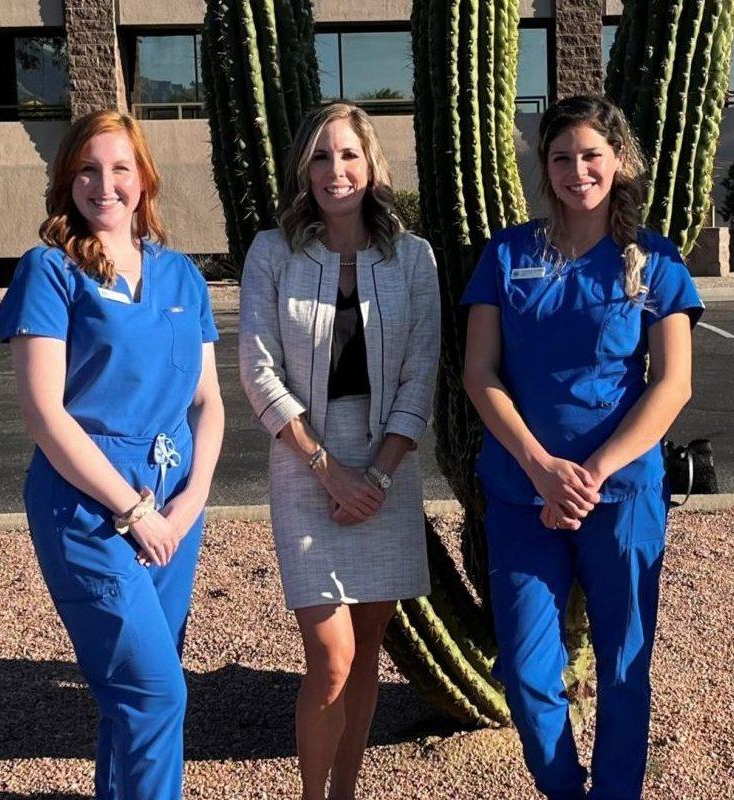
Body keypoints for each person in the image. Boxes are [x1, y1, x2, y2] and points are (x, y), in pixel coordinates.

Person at [461, 95, 702, 800]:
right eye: (562, 157)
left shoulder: (654, 261)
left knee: (624, 663)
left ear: (618, 161)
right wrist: (541, 468)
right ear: (545, 167)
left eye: (592, 155)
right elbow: (479, 372)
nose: (577, 171)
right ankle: (565, 788)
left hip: (621, 495)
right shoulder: (507, 255)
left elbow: (674, 384)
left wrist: (592, 472)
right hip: (521, 493)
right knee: (526, 670)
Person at [0, 109, 224, 800]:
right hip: (89, 510)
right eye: (88, 170)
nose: (105, 185)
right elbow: (44, 413)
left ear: (144, 179)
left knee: (133, 697)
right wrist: (132, 510)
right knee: (155, 694)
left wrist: (189, 504)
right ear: (67, 181)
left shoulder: (181, 276)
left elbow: (208, 401)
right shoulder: (50, 272)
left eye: (120, 168)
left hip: (172, 509)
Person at [238, 101, 440, 800]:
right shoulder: (273, 253)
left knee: (365, 656)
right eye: (321, 156)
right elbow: (257, 370)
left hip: (388, 468)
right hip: (305, 466)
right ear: (304, 168)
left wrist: (376, 476)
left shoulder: (412, 258)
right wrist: (329, 472)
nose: (335, 170)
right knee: (330, 658)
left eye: (349, 154)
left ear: (371, 163)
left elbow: (421, 372)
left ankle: (346, 791)